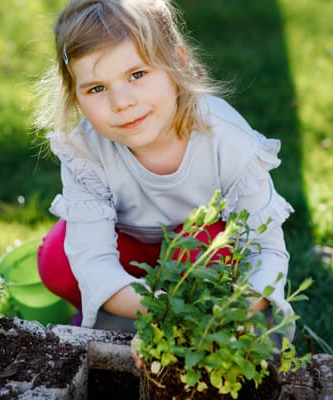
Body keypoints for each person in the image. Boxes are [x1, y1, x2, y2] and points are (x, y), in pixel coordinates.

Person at [34, 0, 295, 336]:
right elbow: (93, 260)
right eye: (97, 88)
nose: (121, 102)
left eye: (137, 74)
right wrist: (161, 308)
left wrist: (240, 307)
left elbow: (265, 248)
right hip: (128, 241)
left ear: (178, 64)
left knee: (208, 249)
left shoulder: (224, 135)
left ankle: (197, 329)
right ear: (75, 96)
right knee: (58, 260)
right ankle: (117, 318)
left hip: (202, 245)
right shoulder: (85, 149)